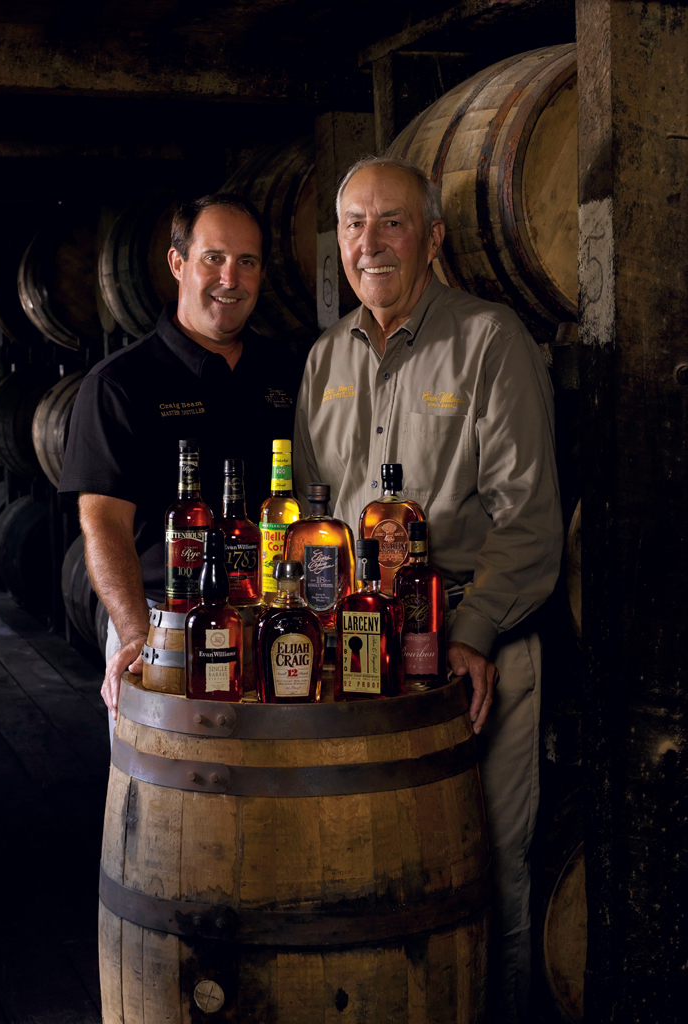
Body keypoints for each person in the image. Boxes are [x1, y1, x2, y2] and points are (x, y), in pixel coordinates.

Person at [293, 156, 563, 1024]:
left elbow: (528, 520)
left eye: (392, 222)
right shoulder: (323, 358)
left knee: (487, 869)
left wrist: (473, 634)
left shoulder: (490, 340)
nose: (368, 243)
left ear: (433, 237)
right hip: (360, 656)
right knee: (376, 874)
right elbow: (309, 520)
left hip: (469, 645)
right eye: (352, 225)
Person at [59, 193, 302, 725]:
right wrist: (133, 635)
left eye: (247, 262)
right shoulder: (120, 384)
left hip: (271, 623)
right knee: (169, 795)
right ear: (177, 263)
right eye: (213, 258)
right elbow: (103, 526)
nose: (230, 278)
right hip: (163, 625)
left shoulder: (289, 373)